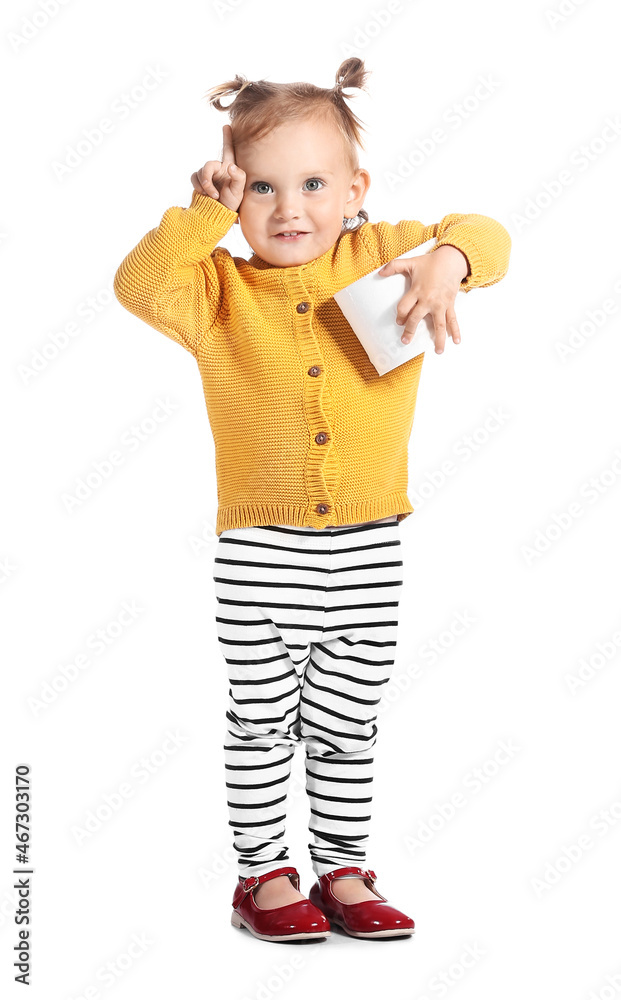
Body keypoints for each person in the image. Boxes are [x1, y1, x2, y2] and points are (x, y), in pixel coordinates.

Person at [113, 56, 511, 943]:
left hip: (368, 550)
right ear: (230, 189)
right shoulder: (214, 289)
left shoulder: (384, 255)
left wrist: (448, 258)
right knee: (260, 725)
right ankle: (262, 876)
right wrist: (203, 217)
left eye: (313, 183)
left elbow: (490, 233)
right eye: (259, 187)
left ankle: (342, 869)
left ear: (355, 188)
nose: (288, 208)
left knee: (347, 723)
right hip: (260, 553)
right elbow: (136, 284)